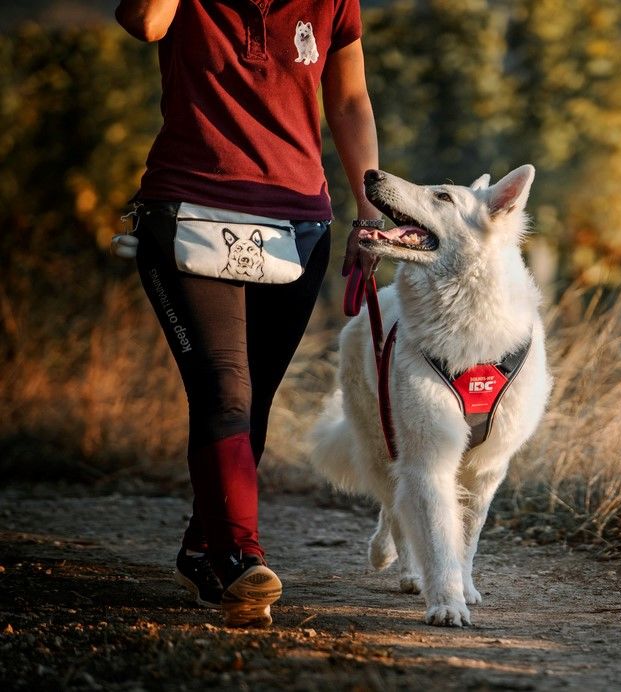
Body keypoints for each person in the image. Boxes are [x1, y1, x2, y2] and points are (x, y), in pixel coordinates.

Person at [115, 0, 384, 627]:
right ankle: (239, 556)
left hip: (298, 224)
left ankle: (204, 547)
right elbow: (146, 23)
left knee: (252, 398)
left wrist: (369, 212)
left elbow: (348, 103)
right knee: (224, 391)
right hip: (188, 212)